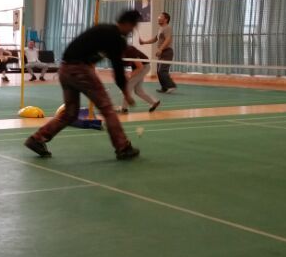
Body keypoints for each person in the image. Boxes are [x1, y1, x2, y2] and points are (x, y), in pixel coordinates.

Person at [25, 10, 143, 161]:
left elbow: (83, 49)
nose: (132, 30)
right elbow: (118, 68)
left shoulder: (102, 29)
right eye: (133, 26)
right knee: (107, 108)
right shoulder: (116, 38)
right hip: (80, 70)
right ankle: (123, 147)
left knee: (70, 113)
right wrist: (126, 93)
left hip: (64, 69)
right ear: (127, 23)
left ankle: (37, 139)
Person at [140, 11, 177, 93]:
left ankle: (171, 86)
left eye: (160, 17)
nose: (158, 18)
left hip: (167, 52)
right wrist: (144, 42)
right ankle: (164, 88)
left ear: (166, 19)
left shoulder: (167, 28)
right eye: (158, 17)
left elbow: (168, 39)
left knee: (162, 71)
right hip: (162, 52)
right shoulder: (161, 29)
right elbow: (155, 39)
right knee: (159, 71)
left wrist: (160, 49)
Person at [119, 44, 160, 113]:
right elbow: (125, 65)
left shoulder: (129, 50)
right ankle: (154, 102)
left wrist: (129, 76)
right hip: (138, 68)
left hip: (143, 67)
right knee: (138, 91)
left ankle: (124, 108)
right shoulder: (119, 53)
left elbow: (140, 67)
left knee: (128, 86)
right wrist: (126, 75)